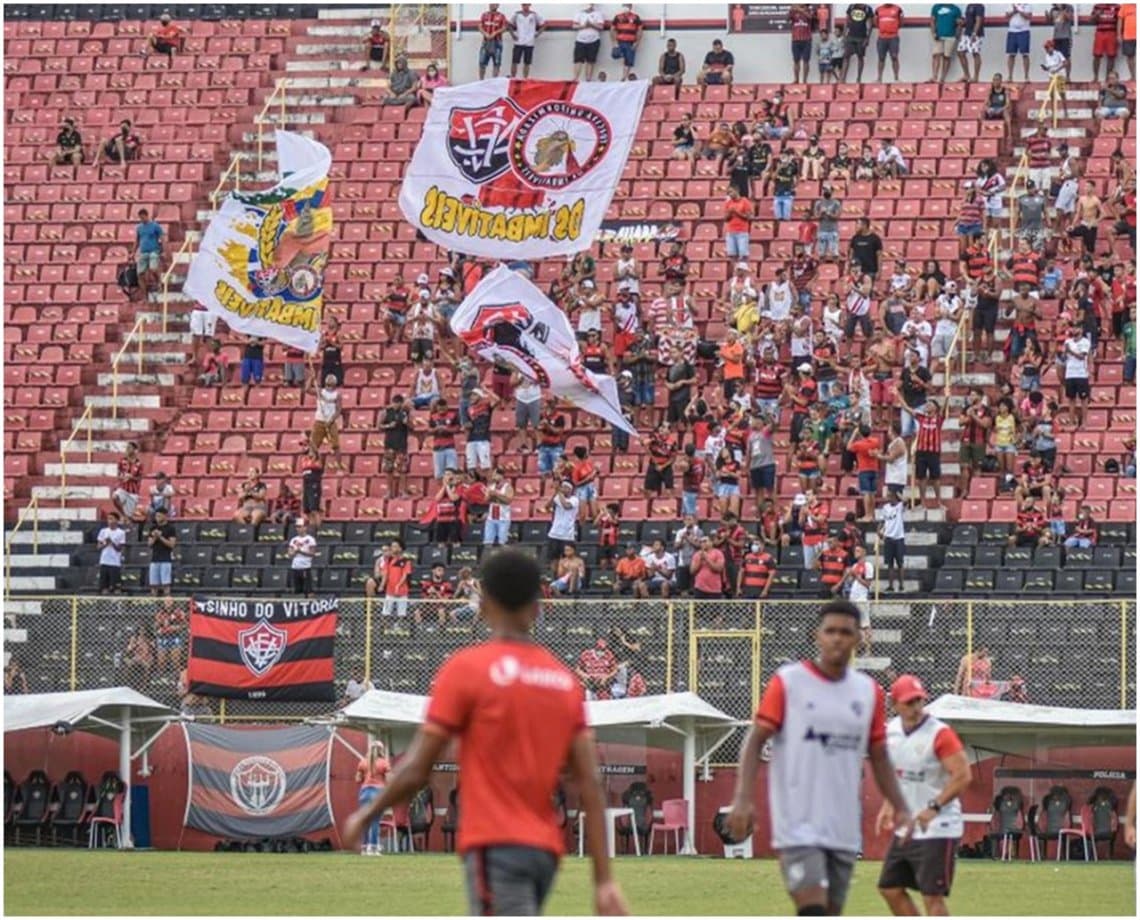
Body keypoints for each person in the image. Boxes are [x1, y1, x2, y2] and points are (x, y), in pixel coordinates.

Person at [344, 550, 628, 917]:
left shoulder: (467, 670)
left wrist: (366, 815)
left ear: (485, 603)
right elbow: (589, 780)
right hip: (543, 851)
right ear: (538, 607)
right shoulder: (563, 682)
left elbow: (417, 768)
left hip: (496, 843)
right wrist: (603, 880)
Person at [728, 599, 913, 916]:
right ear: (817, 635)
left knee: (829, 911)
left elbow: (880, 755)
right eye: (830, 631)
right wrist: (743, 799)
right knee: (812, 908)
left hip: (843, 828)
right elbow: (755, 739)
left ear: (858, 638)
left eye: (845, 631)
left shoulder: (867, 691)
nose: (837, 638)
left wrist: (900, 806)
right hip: (798, 823)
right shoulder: (789, 682)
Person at [876, 675, 972, 918]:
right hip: (907, 827)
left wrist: (934, 808)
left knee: (932, 897)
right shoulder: (892, 731)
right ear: (895, 704)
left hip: (939, 826)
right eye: (909, 702)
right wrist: (889, 804)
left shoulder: (940, 734)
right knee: (890, 888)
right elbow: (897, 772)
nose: (916, 707)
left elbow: (962, 776)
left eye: (919, 701)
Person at [355, 741, 391, 856]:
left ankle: (364, 849)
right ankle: (374, 848)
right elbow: (390, 780)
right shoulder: (384, 763)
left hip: (364, 792)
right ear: (381, 750)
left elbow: (357, 779)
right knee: (375, 821)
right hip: (377, 792)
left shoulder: (363, 762)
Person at [508, 2, 545, 78]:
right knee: (514, 61)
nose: (525, 6)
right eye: (523, 5)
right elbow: (509, 25)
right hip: (518, 42)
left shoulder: (534, 15)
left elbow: (543, 25)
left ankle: (525, 79)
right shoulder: (516, 14)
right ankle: (513, 77)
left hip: (529, 43)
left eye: (526, 4)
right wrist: (512, 35)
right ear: (521, 5)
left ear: (529, 5)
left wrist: (538, 34)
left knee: (527, 62)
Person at [146, 509, 177, 597]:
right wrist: (155, 537)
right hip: (154, 559)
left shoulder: (171, 528)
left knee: (166, 585)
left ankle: (167, 607)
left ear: (165, 516)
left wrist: (160, 537)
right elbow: (149, 544)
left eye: (159, 516)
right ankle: (154, 605)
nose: (157, 518)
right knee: (153, 585)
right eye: (156, 516)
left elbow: (172, 544)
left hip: (165, 560)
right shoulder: (153, 528)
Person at [572, 3, 606, 81]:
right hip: (580, 40)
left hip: (594, 40)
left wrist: (591, 25)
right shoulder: (579, 13)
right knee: (578, 60)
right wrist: (583, 26)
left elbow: (601, 27)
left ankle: (588, 79)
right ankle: (575, 79)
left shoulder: (598, 14)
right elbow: (574, 26)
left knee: (590, 61)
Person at [134, 208, 163, 294]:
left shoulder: (155, 226)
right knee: (140, 274)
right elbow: (137, 241)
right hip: (143, 252)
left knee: (153, 269)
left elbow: (162, 239)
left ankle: (159, 282)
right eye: (140, 218)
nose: (142, 220)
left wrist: (164, 251)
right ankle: (144, 295)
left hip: (154, 251)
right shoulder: (139, 228)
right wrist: (133, 252)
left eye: (143, 217)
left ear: (147, 216)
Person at [610, 4, 642, 80]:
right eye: (625, 5)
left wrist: (637, 43)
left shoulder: (636, 17)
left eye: (628, 6)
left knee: (628, 61)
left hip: (630, 42)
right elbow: (612, 30)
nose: (626, 7)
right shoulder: (617, 17)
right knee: (615, 55)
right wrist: (614, 42)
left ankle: (624, 77)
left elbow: (640, 31)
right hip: (620, 41)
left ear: (631, 7)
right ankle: (623, 56)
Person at [96, 513, 127, 595]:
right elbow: (98, 547)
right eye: (108, 519)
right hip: (104, 561)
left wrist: (112, 543)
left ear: (117, 520)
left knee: (116, 588)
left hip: (115, 562)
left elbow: (120, 548)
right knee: (104, 587)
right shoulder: (103, 531)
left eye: (112, 519)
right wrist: (105, 544)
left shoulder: (121, 532)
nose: (110, 521)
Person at [286, 519, 318, 597]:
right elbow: (290, 554)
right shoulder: (293, 540)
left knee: (308, 589)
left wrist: (300, 551)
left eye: (300, 527)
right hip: (295, 567)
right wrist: (295, 552)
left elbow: (312, 553)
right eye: (297, 527)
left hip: (305, 567)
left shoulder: (310, 539)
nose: (298, 529)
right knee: (297, 590)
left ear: (305, 527)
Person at [478, 3, 509, 79]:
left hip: (497, 42)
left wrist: (495, 33)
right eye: (491, 4)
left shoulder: (502, 16)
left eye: (495, 4)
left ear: (498, 5)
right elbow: (480, 26)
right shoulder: (484, 15)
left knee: (497, 63)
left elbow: (505, 27)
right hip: (486, 42)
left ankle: (494, 81)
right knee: (482, 63)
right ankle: (481, 81)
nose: (493, 5)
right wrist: (485, 34)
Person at [956, 3, 985, 82]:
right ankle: (966, 75)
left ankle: (976, 77)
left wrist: (974, 33)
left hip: (976, 34)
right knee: (960, 52)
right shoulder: (969, 5)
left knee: (975, 53)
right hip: (967, 33)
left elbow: (978, 20)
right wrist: (962, 22)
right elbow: (969, 20)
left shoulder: (979, 6)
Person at [1005, 3, 1032, 82]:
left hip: (1024, 31)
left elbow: (1029, 16)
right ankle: (1010, 76)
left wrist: (1019, 11)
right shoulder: (1010, 4)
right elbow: (1006, 16)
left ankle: (1026, 77)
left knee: (1025, 54)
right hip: (1012, 31)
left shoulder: (1027, 4)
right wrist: (1013, 11)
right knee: (1011, 54)